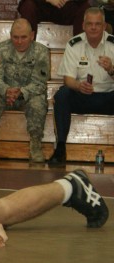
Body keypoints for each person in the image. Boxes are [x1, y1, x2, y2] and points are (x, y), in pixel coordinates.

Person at [48, 7, 114, 167]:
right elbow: (68, 79)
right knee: (62, 94)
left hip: (108, 97)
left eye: (97, 24)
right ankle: (60, 149)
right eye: (89, 24)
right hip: (83, 96)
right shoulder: (74, 44)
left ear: (104, 26)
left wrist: (112, 70)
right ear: (83, 25)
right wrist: (78, 86)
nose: (93, 27)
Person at [0, 18, 50, 163]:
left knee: (38, 103)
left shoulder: (41, 51)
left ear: (32, 35)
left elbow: (40, 82)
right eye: (15, 37)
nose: (19, 41)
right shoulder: (0, 49)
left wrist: (22, 92)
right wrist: (6, 90)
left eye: (23, 37)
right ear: (10, 35)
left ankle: (35, 146)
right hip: (4, 94)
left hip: (29, 95)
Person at [18, 0, 91, 38]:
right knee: (28, 6)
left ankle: (80, 51)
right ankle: (27, 52)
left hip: (66, 7)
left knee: (85, 8)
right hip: (42, 6)